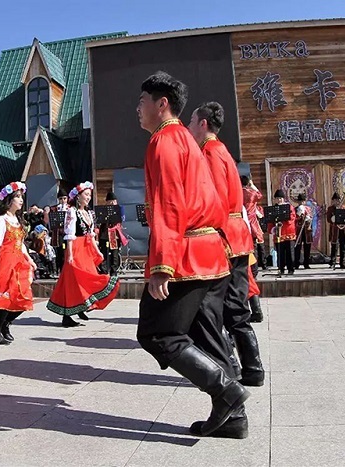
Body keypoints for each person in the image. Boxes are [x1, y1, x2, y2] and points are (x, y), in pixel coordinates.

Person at [134, 71, 249, 438]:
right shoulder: (187, 139)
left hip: (186, 254)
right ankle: (235, 419)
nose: (137, 109)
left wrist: (161, 265)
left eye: (141, 102)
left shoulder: (164, 141)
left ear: (161, 104)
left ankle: (226, 391)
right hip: (212, 251)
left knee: (157, 333)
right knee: (207, 332)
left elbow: (169, 203)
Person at [188, 101, 263, 387]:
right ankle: (252, 367)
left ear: (203, 123)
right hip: (238, 236)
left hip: (222, 237)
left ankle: (229, 366)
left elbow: (212, 199)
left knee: (212, 308)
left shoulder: (208, 153)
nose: (189, 126)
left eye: (192, 121)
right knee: (234, 305)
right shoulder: (223, 151)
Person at [46, 181, 119, 327]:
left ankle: (81, 306)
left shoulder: (89, 213)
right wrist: (70, 255)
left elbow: (91, 235)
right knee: (73, 280)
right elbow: (70, 235)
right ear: (78, 197)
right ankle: (67, 315)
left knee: (88, 277)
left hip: (86, 250)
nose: (88, 197)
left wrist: (98, 251)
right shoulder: (72, 212)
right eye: (86, 194)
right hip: (76, 248)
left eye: (89, 195)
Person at [0, 182, 36, 344]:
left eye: (21, 197)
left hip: (19, 262)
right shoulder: (1, 220)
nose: (20, 200)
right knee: (5, 298)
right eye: (17, 197)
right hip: (6, 262)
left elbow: (21, 243)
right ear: (9, 200)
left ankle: (6, 324)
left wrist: (29, 259)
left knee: (25, 297)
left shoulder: (17, 220)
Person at [97, 191, 126, 276]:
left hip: (114, 234)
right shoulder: (103, 210)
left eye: (114, 201)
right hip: (104, 234)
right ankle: (104, 270)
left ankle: (114, 271)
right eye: (110, 201)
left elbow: (122, 219)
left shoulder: (119, 209)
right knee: (104, 253)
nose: (112, 202)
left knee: (114, 254)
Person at [269, 190, 297, 276]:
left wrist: (284, 220)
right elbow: (270, 222)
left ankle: (290, 268)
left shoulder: (289, 207)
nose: (279, 200)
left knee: (289, 252)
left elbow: (293, 217)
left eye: (280, 198)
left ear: (283, 199)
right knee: (280, 252)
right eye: (277, 198)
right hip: (278, 233)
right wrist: (273, 228)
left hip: (288, 232)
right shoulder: (273, 209)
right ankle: (280, 268)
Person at [242, 176, 267, 269]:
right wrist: (252, 185)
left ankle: (248, 268)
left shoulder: (238, 193)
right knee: (255, 246)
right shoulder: (251, 193)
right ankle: (255, 268)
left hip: (242, 221)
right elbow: (259, 195)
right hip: (252, 221)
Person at [325, 193, 345, 269]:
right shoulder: (330, 209)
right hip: (335, 229)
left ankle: (343, 262)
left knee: (343, 246)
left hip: (342, 229)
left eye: (338, 200)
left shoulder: (343, 208)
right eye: (335, 200)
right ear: (333, 201)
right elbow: (328, 219)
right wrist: (334, 217)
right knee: (334, 246)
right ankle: (332, 262)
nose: (337, 202)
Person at [293, 193, 313, 269]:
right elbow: (294, 220)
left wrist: (309, 218)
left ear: (305, 201)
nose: (301, 203)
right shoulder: (295, 209)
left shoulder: (308, 209)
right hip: (299, 230)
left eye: (303, 201)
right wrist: (298, 215)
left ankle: (306, 263)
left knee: (307, 247)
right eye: (300, 201)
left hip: (307, 230)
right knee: (297, 247)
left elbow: (311, 218)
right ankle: (296, 263)